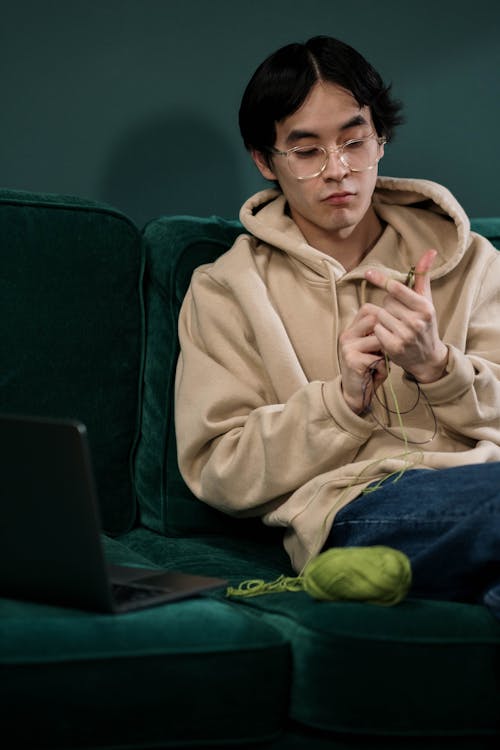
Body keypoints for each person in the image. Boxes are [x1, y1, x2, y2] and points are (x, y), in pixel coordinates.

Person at [174, 36, 500, 616]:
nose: (339, 170)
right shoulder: (226, 288)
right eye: (307, 151)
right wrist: (341, 403)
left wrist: (438, 368)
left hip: (481, 481)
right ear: (264, 159)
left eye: (354, 141)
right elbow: (219, 468)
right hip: (356, 505)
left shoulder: (473, 261)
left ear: (382, 139)